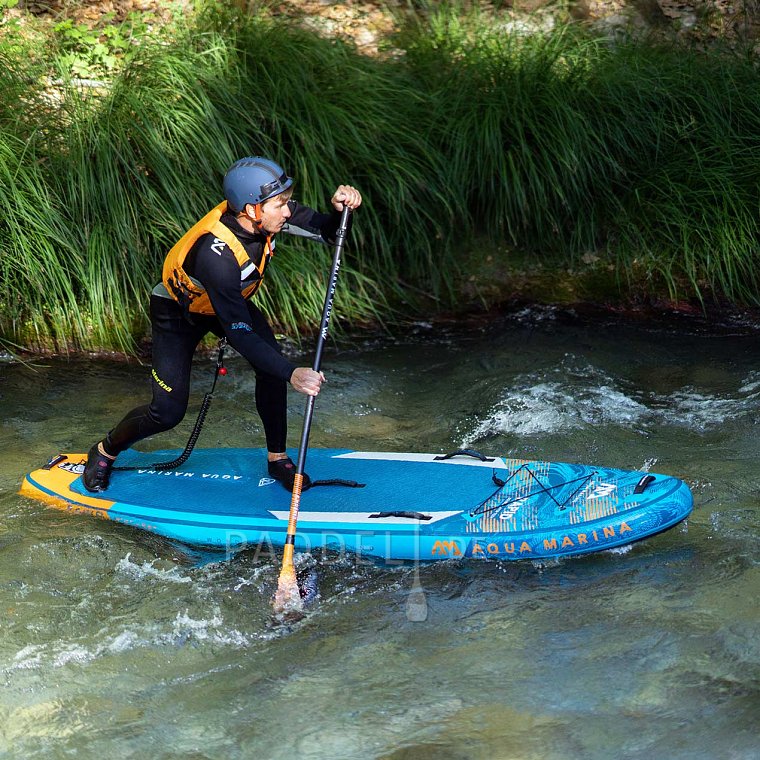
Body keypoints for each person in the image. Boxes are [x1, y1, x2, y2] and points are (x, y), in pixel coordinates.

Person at [83, 156, 362, 494]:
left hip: (226, 305)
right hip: (177, 312)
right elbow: (239, 333)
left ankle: (277, 458)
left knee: (270, 367)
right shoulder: (215, 254)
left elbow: (328, 231)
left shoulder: (267, 214)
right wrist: (293, 373)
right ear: (251, 209)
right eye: (280, 204)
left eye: (287, 202)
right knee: (167, 412)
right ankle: (105, 450)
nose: (288, 212)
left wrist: (339, 211)